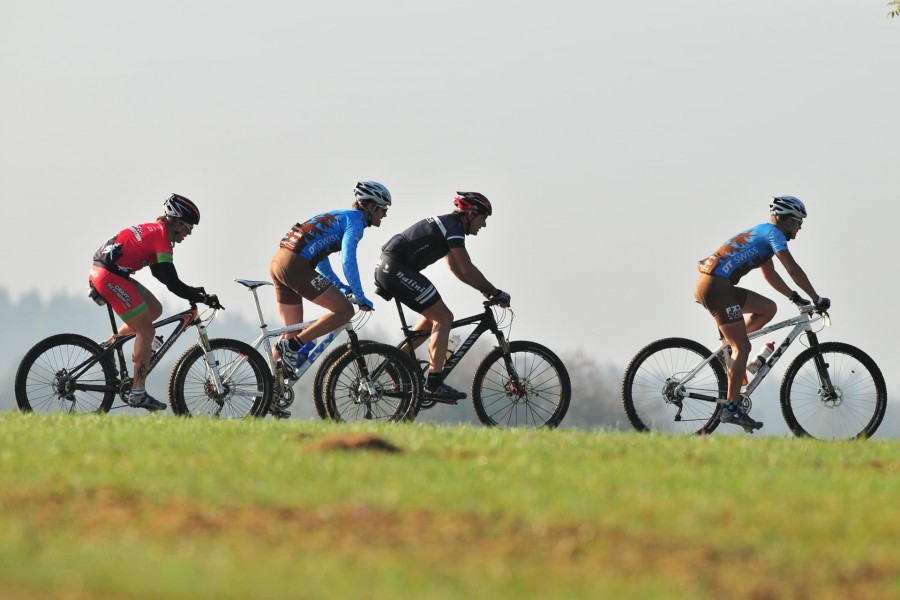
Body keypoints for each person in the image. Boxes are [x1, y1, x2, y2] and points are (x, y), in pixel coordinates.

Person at [694, 195, 830, 432]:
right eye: (799, 222)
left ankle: (729, 347)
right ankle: (731, 407)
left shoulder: (763, 233)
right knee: (743, 348)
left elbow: (770, 275)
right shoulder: (773, 235)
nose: (800, 227)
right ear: (787, 220)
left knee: (768, 309)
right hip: (717, 287)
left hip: (717, 284)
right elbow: (792, 269)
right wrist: (817, 298)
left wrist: (794, 296)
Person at [89, 194, 223, 412]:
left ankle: (108, 346)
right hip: (110, 276)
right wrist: (202, 297)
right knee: (147, 332)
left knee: (154, 309)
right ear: (177, 222)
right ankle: (138, 393)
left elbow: (160, 275)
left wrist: (192, 291)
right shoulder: (161, 239)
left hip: (109, 273)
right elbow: (172, 283)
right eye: (189, 228)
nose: (189, 234)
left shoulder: (155, 232)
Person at [374, 191, 510, 401]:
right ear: (471, 214)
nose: (483, 225)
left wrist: (484, 289)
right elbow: (466, 269)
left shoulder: (448, 226)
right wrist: (496, 292)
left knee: (434, 317)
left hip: (390, 267)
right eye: (484, 219)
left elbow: (455, 268)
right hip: (395, 268)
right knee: (444, 318)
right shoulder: (453, 227)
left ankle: (397, 361)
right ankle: (434, 383)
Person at [270, 181, 390, 383]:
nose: (385, 215)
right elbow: (348, 260)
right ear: (370, 207)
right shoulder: (355, 222)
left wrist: (342, 287)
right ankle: (292, 347)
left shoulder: (340, 216)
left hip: (279, 261)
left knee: (292, 331)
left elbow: (322, 261)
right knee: (344, 312)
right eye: (383, 209)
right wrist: (359, 296)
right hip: (294, 265)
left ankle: (270, 388)